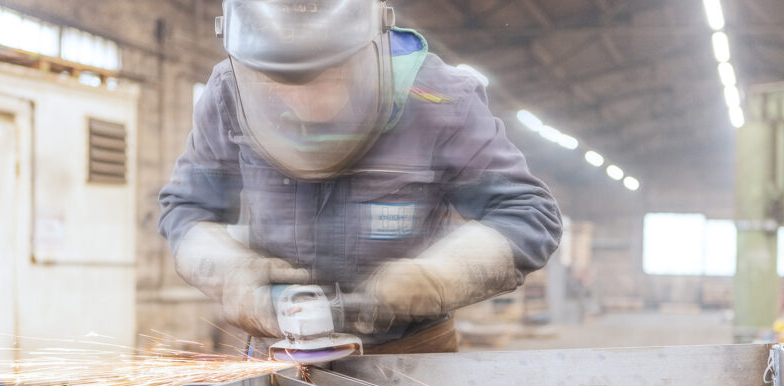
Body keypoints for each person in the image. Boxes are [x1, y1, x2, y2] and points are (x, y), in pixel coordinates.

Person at [159, 0, 563, 354]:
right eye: (279, 81)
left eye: (327, 74)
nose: (302, 98)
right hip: (280, 354)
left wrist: (436, 279)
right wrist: (231, 274)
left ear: (369, 48)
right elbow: (184, 210)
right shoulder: (230, 93)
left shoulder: (438, 99)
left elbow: (528, 213)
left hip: (411, 356)